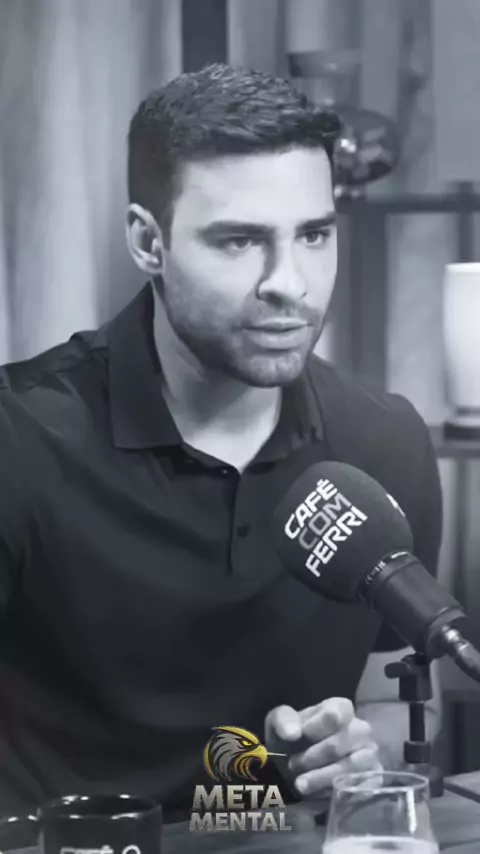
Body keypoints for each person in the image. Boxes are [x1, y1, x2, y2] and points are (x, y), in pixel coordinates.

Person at [0, 63, 442, 820]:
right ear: (149, 242)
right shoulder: (19, 439)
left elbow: (392, 703)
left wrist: (356, 756)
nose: (290, 282)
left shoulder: (385, 442)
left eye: (314, 235)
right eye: (240, 241)